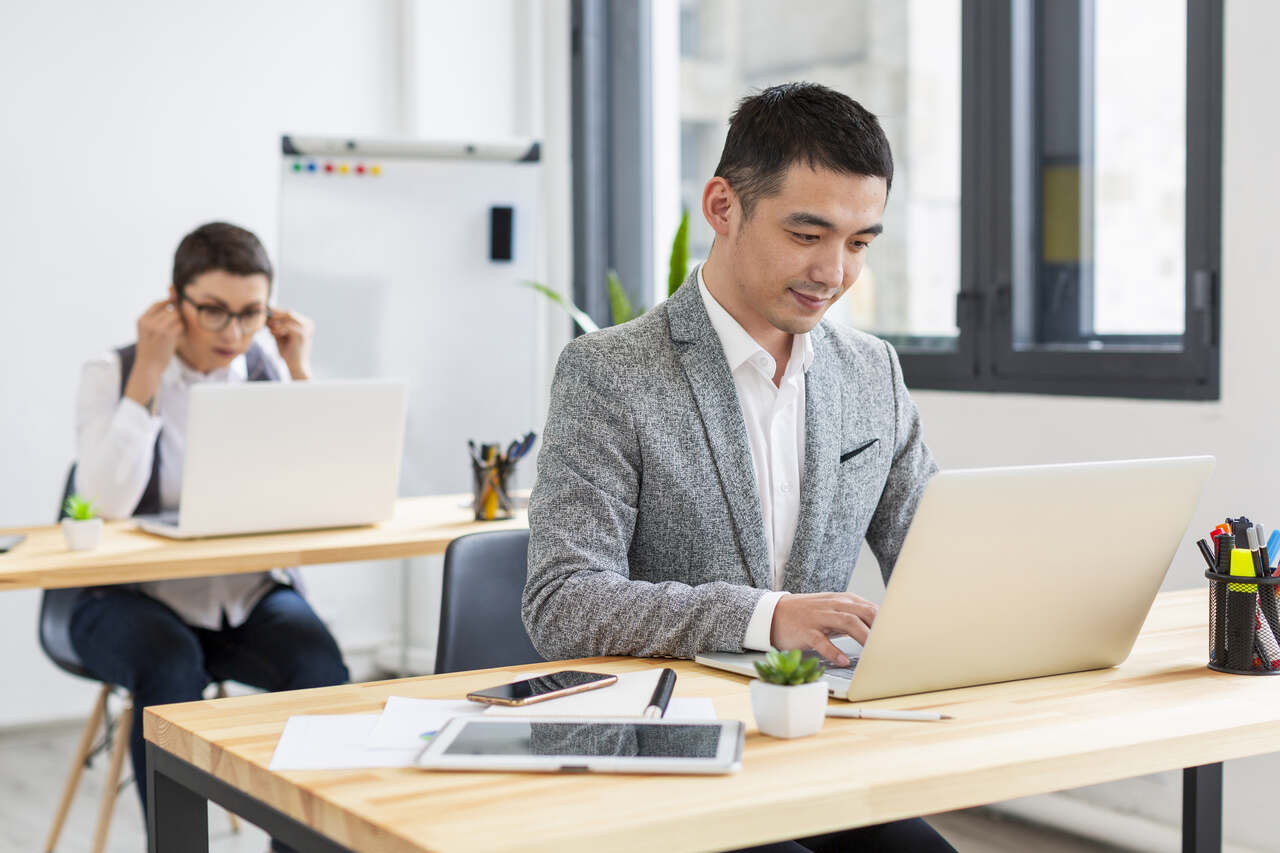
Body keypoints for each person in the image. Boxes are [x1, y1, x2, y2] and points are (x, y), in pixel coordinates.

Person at [524, 83, 952, 851]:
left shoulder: (871, 372)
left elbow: (937, 549)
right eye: (807, 233)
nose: (833, 271)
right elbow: (563, 602)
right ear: (722, 207)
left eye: (859, 243)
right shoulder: (610, 373)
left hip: (819, 747)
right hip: (671, 757)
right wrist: (764, 615)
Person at [67, 222, 349, 843]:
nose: (234, 333)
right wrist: (147, 373)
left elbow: (324, 482)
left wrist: (300, 371)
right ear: (175, 303)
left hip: (241, 595)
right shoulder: (110, 371)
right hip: (128, 600)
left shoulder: (265, 364)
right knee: (171, 672)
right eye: (215, 313)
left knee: (321, 669)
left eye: (252, 314)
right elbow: (104, 502)